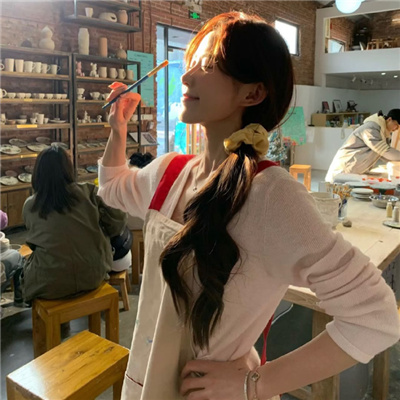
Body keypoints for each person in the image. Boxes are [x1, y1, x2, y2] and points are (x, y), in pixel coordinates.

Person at [98, 12, 400, 400]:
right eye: (191, 64)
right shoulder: (169, 172)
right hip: (144, 383)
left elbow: (375, 317)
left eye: (207, 65)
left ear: (253, 94)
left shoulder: (271, 195)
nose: (187, 77)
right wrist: (118, 130)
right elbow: (112, 188)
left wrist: (256, 383)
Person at [22, 145, 127, 302]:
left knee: (23, 264)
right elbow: (117, 224)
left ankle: (35, 311)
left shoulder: (31, 205)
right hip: (94, 274)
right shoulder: (89, 192)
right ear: (69, 169)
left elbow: (34, 243)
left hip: (50, 282)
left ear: (38, 173)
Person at [325, 109, 400, 182]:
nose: (396, 129)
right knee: (341, 188)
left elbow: (384, 155)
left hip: (355, 168)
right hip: (345, 168)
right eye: (396, 125)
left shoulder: (382, 131)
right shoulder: (371, 128)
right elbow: (384, 151)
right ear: (389, 119)